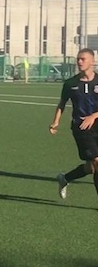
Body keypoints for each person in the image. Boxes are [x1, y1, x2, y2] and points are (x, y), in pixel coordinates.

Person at [49, 48, 98, 201]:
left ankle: (66, 178)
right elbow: (62, 104)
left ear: (92, 61)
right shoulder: (70, 83)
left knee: (90, 168)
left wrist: (94, 116)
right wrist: (55, 122)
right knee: (97, 162)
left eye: (83, 59)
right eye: (78, 59)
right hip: (82, 128)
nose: (79, 62)